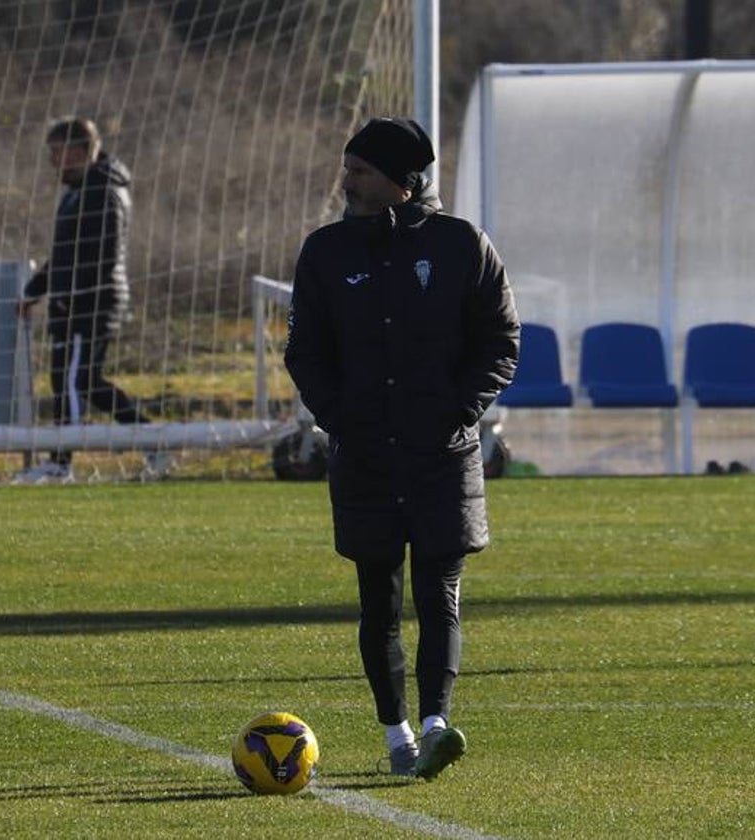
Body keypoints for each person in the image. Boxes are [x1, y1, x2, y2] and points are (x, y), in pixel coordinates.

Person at [284, 117, 520, 779]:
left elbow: (500, 343)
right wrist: (341, 419)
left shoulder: (462, 246)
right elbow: (305, 352)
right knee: (378, 600)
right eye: (348, 167)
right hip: (364, 454)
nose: (347, 180)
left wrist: (458, 411)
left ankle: (438, 723)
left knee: (439, 592)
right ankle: (397, 736)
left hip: (442, 453)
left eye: (360, 170)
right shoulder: (325, 253)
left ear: (401, 181)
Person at [16, 117, 169, 482]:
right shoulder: (79, 191)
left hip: (91, 304)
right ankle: (156, 444)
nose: (54, 161)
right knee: (81, 382)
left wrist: (74, 294)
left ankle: (59, 464)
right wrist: (34, 291)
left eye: (59, 152)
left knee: (73, 381)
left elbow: (104, 255)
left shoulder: (104, 192)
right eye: (51, 153)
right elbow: (64, 254)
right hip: (73, 302)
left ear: (84, 150)